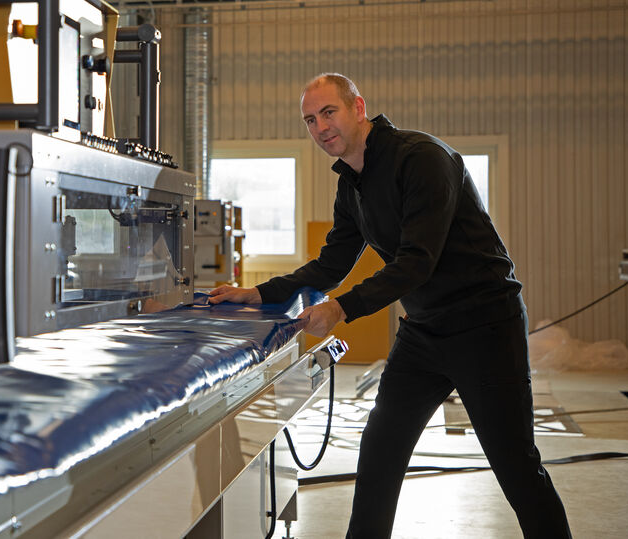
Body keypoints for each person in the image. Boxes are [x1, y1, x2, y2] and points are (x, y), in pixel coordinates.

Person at [208, 73, 571, 538]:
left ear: (358, 108)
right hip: (424, 331)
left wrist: (340, 309)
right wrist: (259, 293)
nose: (320, 127)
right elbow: (331, 264)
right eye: (310, 120)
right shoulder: (350, 185)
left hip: (484, 327)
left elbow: (416, 263)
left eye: (328, 112)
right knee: (381, 448)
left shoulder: (422, 159)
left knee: (515, 464)